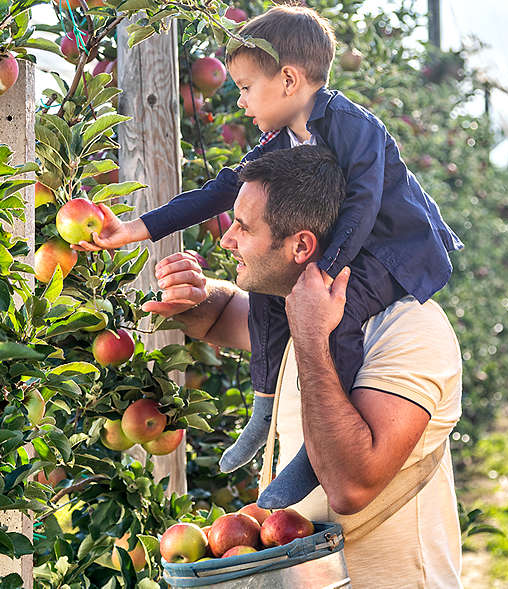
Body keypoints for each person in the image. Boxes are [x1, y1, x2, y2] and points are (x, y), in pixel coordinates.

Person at [73, 4, 462, 509]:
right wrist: (133, 230)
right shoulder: (280, 141)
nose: (238, 100)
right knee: (265, 289)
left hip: (394, 250)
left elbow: (364, 205)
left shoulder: (352, 125)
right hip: (347, 242)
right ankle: (264, 408)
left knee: (335, 316)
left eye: (245, 86)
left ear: (288, 80)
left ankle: (312, 457)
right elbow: (219, 191)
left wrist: (322, 275)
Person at [144, 145, 463, 587]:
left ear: (301, 245)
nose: (226, 240)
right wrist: (197, 295)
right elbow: (219, 317)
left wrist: (312, 336)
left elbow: (350, 487)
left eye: (243, 226)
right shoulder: (299, 310)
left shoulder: (408, 330)